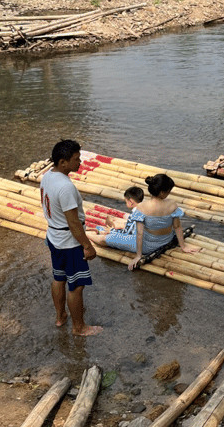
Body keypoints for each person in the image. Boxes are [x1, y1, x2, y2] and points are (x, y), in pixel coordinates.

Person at [40, 139, 102, 336]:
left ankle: (60, 317)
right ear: (63, 162)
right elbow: (73, 222)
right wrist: (87, 245)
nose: (80, 162)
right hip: (68, 242)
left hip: (54, 236)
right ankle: (79, 327)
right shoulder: (65, 187)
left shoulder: (47, 176)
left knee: (59, 278)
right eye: (76, 159)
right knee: (77, 285)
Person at [127, 174, 193, 271]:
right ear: (162, 192)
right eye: (168, 191)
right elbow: (177, 227)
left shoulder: (141, 207)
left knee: (107, 239)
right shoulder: (172, 204)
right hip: (167, 240)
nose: (169, 194)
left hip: (148, 246)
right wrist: (183, 246)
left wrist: (138, 256)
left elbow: (139, 233)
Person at [87, 186, 144, 253]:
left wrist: (111, 231)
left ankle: (87, 234)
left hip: (138, 244)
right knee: (118, 226)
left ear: (131, 202)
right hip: (144, 240)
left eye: (126, 202)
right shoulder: (144, 209)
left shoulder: (135, 214)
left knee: (104, 239)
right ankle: (103, 231)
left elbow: (128, 234)